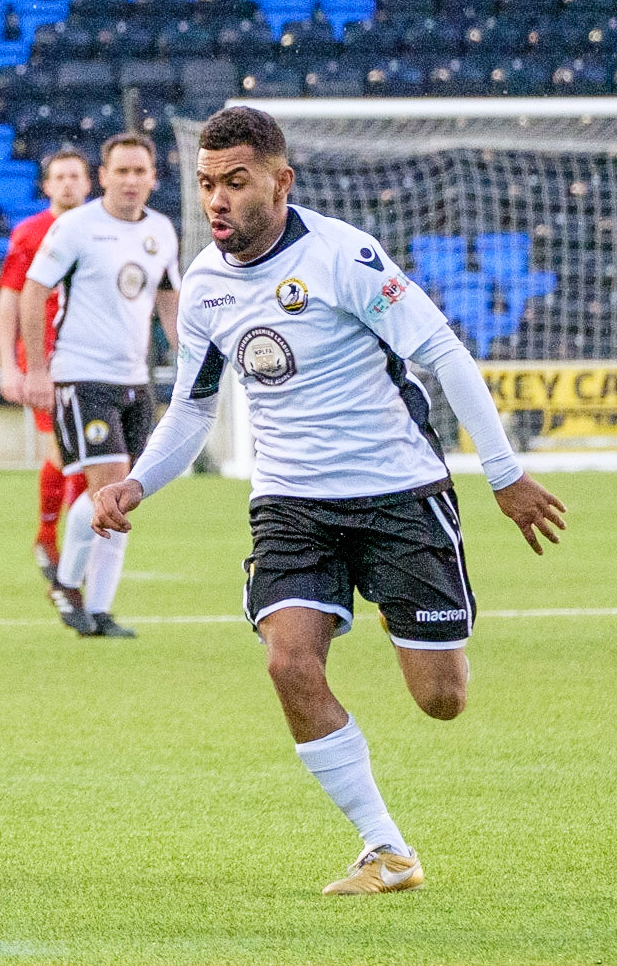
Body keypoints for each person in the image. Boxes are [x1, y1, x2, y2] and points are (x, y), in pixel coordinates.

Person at [93, 105, 566, 894]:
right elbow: (193, 408)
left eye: (234, 182)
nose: (215, 199)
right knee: (288, 661)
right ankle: (384, 849)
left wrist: (503, 472)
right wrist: (136, 480)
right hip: (289, 502)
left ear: (280, 182)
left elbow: (442, 350)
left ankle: (393, 602)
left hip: (395, 492)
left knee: (440, 699)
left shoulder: (344, 256)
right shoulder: (205, 283)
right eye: (206, 182)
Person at [20, 132, 179, 637]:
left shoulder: (161, 230)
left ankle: (98, 608)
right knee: (111, 489)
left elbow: (168, 298)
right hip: (82, 375)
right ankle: (69, 586)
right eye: (122, 171)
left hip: (135, 378)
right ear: (103, 177)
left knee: (123, 495)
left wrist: (185, 356)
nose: (131, 181)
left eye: (141, 172)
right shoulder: (75, 227)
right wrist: (39, 370)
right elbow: (32, 292)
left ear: (153, 178)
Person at [0, 148, 93, 583]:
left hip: (95, 358)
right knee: (67, 450)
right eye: (60, 177)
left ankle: (63, 539)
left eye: (76, 176)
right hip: (44, 359)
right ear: (48, 186)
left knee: (91, 455)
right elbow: (11, 297)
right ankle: (51, 536)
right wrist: (8, 366)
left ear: (89, 183)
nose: (69, 183)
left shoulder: (103, 230)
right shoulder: (31, 232)